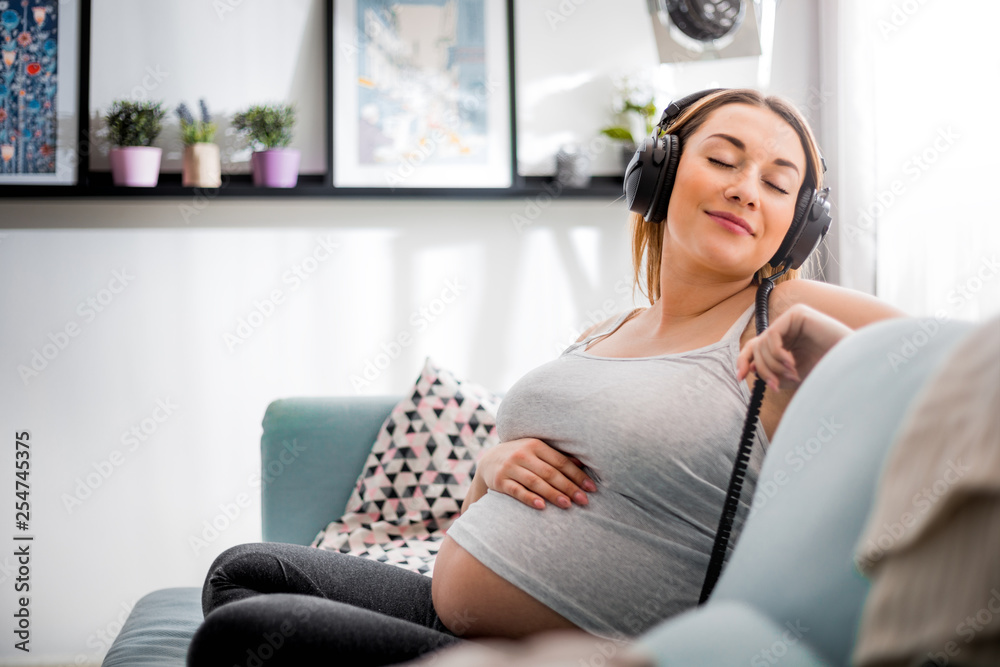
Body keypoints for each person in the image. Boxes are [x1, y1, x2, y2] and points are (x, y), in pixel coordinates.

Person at [186, 88, 906, 666]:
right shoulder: (611, 329)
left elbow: (954, 366)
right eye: (723, 159)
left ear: (799, 225)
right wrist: (491, 465)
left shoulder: (784, 308)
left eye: (779, 184)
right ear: (658, 171)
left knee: (243, 635)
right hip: (468, 616)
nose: (748, 190)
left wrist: (832, 345)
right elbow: (487, 501)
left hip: (592, 648)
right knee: (241, 570)